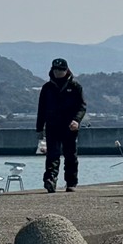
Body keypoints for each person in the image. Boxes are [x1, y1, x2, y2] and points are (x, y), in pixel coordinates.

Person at [36, 57, 85, 192]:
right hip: (52, 126)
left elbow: (82, 106)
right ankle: (50, 179)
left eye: (61, 70)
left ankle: (71, 182)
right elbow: (41, 109)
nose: (58, 72)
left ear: (66, 70)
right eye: (55, 70)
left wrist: (76, 120)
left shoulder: (75, 87)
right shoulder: (47, 88)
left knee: (71, 155)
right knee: (52, 155)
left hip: (70, 126)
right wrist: (39, 128)